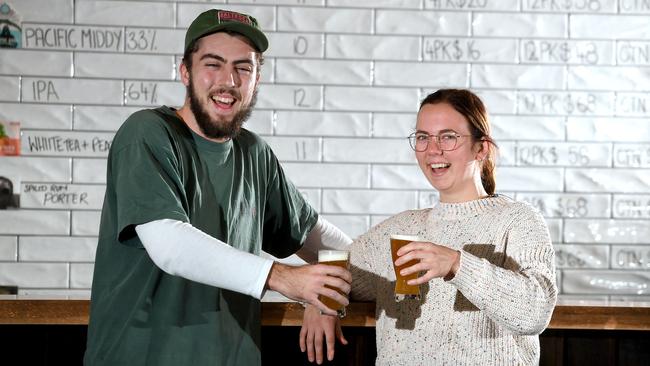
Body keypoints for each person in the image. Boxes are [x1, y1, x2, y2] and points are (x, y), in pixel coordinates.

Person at [84, 9, 352, 366]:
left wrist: (327, 300)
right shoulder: (147, 133)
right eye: (213, 64)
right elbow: (169, 245)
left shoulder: (255, 154)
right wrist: (285, 279)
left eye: (244, 67)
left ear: (257, 79)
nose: (228, 80)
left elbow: (327, 243)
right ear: (185, 72)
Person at [300, 89, 557, 365]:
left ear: (481, 148)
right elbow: (333, 273)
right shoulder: (401, 227)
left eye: (448, 137)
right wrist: (319, 303)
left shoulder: (517, 220)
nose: (433, 150)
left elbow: (535, 312)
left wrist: (456, 264)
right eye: (423, 137)